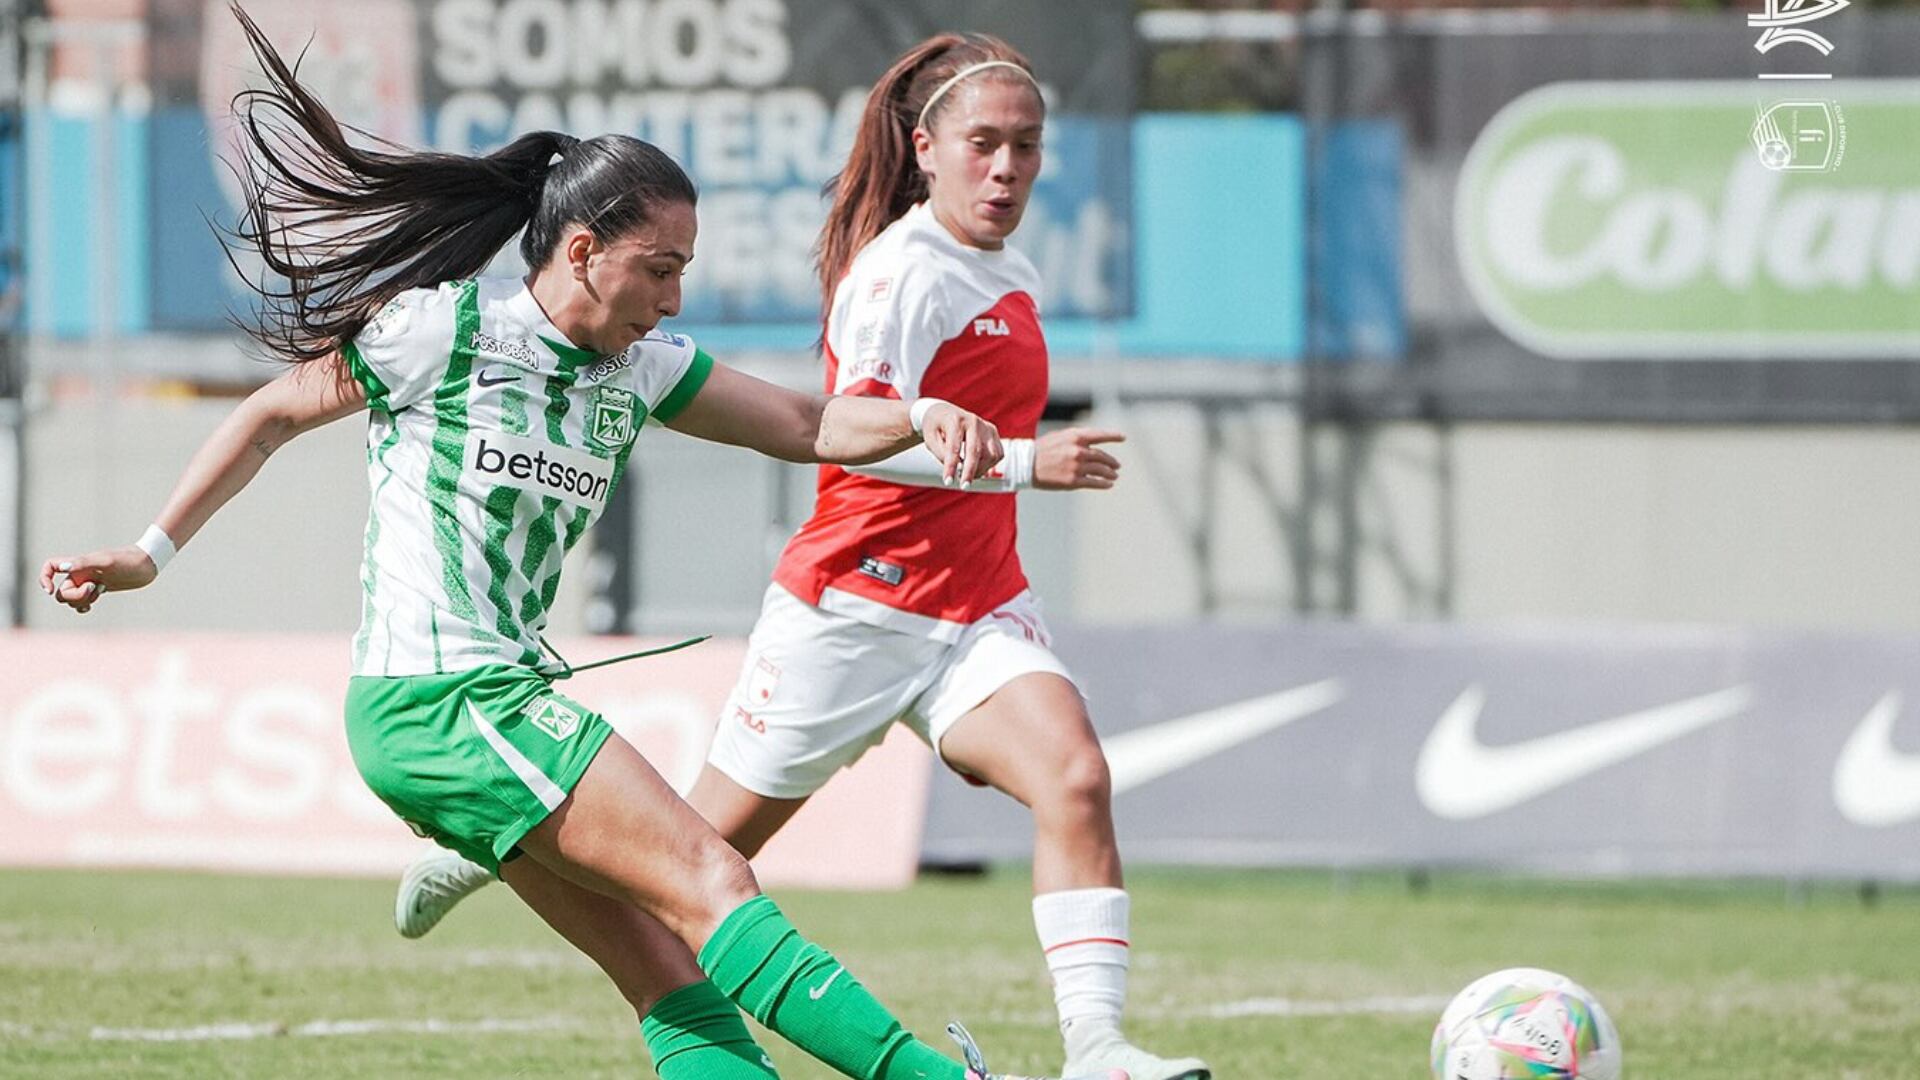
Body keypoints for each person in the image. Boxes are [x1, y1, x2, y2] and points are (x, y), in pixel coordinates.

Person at [39, 8, 1122, 1080]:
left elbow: (807, 426)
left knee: (676, 985)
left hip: (483, 704)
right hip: (441, 698)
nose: (674, 296)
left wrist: (917, 414)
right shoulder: (441, 331)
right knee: (714, 879)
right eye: (658, 267)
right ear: (584, 249)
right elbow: (270, 413)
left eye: (685, 269)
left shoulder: (641, 368)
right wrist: (148, 552)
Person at [398, 32, 1210, 1080]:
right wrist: (1020, 464)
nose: (1006, 167)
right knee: (697, 861)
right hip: (856, 604)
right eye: (984, 144)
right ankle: (497, 842)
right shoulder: (897, 277)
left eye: (1027, 147)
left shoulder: (1012, 269)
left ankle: (1097, 1051)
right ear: (926, 148)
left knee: (1076, 778)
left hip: (977, 605)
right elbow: (854, 435)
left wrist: (1010, 474)